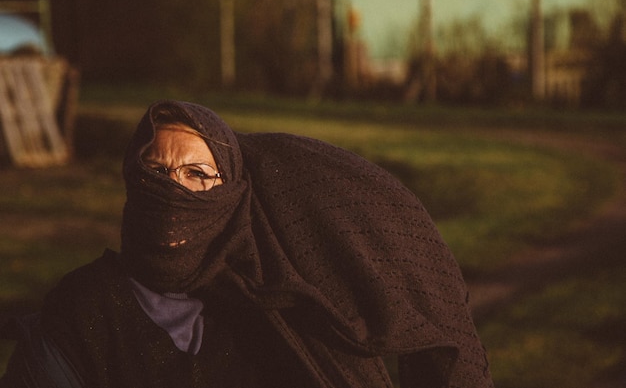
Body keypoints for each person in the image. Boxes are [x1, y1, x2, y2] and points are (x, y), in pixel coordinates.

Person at [0, 100, 494, 388]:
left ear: (232, 192)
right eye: (156, 171)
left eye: (198, 175)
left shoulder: (269, 306)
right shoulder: (85, 307)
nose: (175, 189)